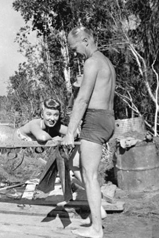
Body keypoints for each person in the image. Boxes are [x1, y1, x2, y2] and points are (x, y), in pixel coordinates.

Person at [62, 26, 116, 238]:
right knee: (76, 164)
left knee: (89, 175)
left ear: (85, 40)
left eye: (75, 48)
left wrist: (70, 132)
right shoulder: (105, 61)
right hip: (108, 118)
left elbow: (82, 100)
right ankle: (97, 211)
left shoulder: (91, 62)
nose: (75, 53)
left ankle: (96, 229)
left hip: (95, 119)